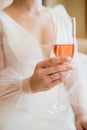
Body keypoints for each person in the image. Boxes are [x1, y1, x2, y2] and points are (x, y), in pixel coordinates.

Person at [0, 0, 87, 130]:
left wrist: (81, 114)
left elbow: (73, 71)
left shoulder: (60, 16)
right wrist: (29, 85)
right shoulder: (2, 21)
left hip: (62, 112)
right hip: (18, 116)